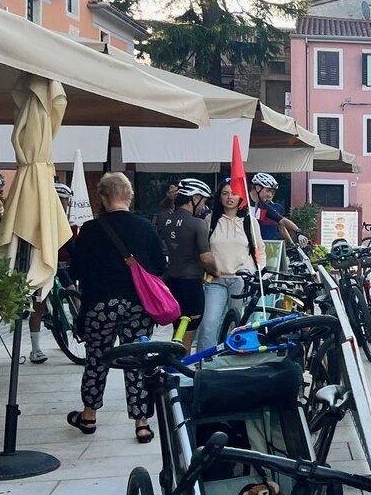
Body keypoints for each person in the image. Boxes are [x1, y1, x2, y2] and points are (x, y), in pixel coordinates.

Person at [68, 172, 167, 442]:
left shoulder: (89, 230)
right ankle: (142, 422)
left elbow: (77, 269)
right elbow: (160, 266)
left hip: (100, 305)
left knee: (96, 359)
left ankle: (89, 415)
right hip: (137, 305)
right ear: (130, 195)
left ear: (102, 197)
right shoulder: (145, 227)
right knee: (136, 360)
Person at [196, 179, 264, 350]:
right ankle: (205, 361)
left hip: (241, 281)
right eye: (225, 193)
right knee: (208, 324)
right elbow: (203, 250)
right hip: (215, 280)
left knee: (240, 326)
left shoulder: (250, 221)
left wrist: (259, 273)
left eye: (233, 193)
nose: (229, 197)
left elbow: (260, 250)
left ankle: (236, 360)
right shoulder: (209, 220)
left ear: (241, 197)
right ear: (219, 197)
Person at [155, 178, 216, 348]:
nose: (204, 207)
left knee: (178, 329)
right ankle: (180, 369)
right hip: (191, 283)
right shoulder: (198, 223)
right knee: (188, 332)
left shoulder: (163, 218)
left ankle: (174, 363)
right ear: (194, 198)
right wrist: (217, 270)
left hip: (171, 281)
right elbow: (206, 258)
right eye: (203, 201)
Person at [27, 182, 80, 364]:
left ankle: (80, 326)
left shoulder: (63, 221)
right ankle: (35, 349)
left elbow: (70, 245)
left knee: (74, 294)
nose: (64, 205)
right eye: (61, 201)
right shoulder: (40, 219)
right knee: (38, 305)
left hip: (57, 265)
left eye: (66, 201)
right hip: (41, 265)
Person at [250, 172, 302, 245]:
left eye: (272, 192)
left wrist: (299, 232)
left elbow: (282, 221)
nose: (270, 195)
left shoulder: (262, 205)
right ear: (258, 188)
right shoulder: (242, 202)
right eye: (268, 191)